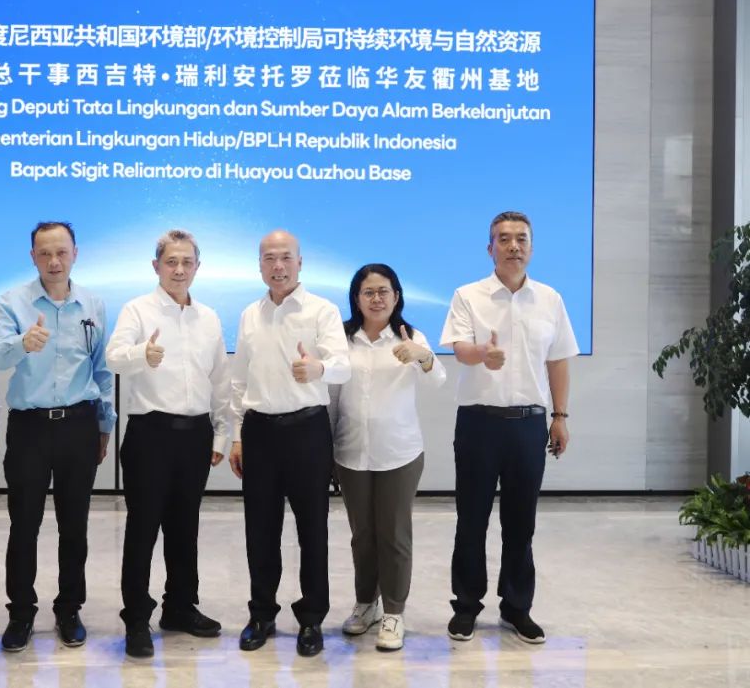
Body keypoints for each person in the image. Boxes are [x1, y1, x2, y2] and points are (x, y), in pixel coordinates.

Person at [439, 211, 577, 644]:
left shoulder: (550, 299)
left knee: (521, 523)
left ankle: (517, 607)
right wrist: (483, 353)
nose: (513, 246)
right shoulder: (468, 295)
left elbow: (558, 360)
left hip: (528, 425)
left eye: (521, 239)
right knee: (471, 520)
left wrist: (560, 417)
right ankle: (466, 606)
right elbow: (460, 349)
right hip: (479, 423)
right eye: (504, 239)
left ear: (531, 248)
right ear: (490, 248)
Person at [0, 221, 116, 652]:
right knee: (24, 524)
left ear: (75, 253)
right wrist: (24, 342)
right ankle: (21, 612)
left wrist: (105, 424)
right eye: (44, 253)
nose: (54, 261)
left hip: (79, 424)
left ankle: (69, 609)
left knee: (74, 525)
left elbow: (101, 370)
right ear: (33, 257)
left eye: (61, 252)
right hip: (31, 429)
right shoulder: (12, 302)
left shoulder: (93, 304)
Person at [105, 229, 230, 658]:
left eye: (187, 262)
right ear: (156, 265)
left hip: (196, 434)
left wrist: (222, 432)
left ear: (197, 267)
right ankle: (136, 618)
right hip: (150, 434)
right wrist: (142, 353)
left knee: (184, 527)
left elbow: (221, 379)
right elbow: (113, 357)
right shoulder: (137, 310)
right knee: (142, 529)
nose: (179, 269)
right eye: (171, 261)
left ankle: (180, 606)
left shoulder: (209, 318)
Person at [228, 230, 351, 657]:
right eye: (269, 258)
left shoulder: (322, 310)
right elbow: (239, 381)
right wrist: (237, 435)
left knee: (312, 529)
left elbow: (343, 366)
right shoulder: (250, 314)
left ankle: (312, 618)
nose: (277, 266)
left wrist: (319, 368)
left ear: (300, 262)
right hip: (259, 432)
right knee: (260, 529)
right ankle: (261, 613)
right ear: (259, 265)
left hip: (306, 431)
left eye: (285, 257)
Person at [330, 264, 446, 651]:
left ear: (396, 296)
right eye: (368, 292)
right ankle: (367, 604)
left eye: (384, 291)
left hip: (399, 453)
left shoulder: (411, 336)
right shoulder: (341, 339)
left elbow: (439, 378)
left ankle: (394, 611)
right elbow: (332, 395)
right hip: (351, 452)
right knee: (362, 535)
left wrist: (422, 356)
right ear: (356, 298)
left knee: (393, 535)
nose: (376, 298)